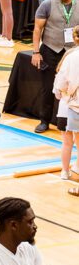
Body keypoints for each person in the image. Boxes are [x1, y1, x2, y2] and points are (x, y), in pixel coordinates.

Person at [30, 0, 75, 132]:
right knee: (48, 87)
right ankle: (44, 121)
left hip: (72, 53)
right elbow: (37, 29)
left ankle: (69, 121)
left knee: (72, 88)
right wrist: (36, 52)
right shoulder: (47, 5)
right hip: (50, 50)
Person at [53, 26, 79, 182]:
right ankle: (76, 170)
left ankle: (65, 171)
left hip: (67, 106)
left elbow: (59, 87)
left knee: (67, 142)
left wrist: (63, 93)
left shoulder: (70, 57)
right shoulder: (71, 56)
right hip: (72, 106)